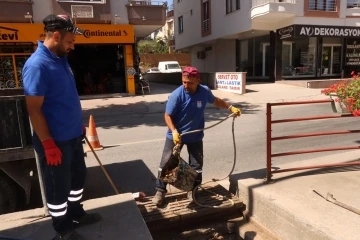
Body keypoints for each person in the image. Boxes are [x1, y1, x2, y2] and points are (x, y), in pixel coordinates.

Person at [22, 14, 101, 240]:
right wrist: (48, 145)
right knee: (58, 186)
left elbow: (64, 98)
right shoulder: (37, 65)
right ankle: (63, 228)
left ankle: (76, 213)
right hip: (55, 141)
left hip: (73, 135)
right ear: (56, 36)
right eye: (69, 41)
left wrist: (79, 126)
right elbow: (34, 110)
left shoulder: (61, 59)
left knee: (77, 180)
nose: (72, 46)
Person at [152, 66, 241, 207]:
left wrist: (230, 108)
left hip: (195, 136)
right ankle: (160, 191)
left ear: (198, 81)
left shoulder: (204, 91)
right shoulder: (177, 95)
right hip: (176, 135)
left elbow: (216, 101)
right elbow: (167, 115)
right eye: (184, 82)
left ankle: (193, 191)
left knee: (197, 166)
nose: (186, 85)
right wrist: (174, 131)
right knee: (166, 164)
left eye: (189, 82)